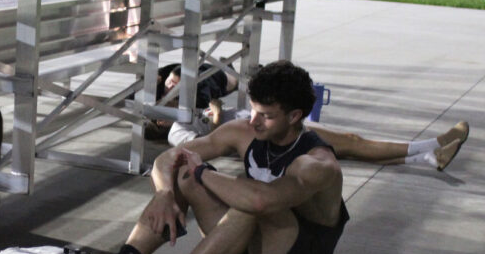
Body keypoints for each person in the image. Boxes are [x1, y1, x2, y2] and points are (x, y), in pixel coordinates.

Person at [84, 61, 350, 254]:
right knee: (183, 173)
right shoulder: (245, 131)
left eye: (266, 115)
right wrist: (164, 193)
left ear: (294, 116)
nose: (253, 121)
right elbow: (166, 159)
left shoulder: (317, 164)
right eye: (254, 109)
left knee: (247, 200)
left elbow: (261, 201)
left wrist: (203, 172)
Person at [168, 98, 469, 171]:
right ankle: (432, 145)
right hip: (274, 137)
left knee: (349, 148)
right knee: (351, 143)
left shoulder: (190, 111)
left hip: (275, 128)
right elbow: (212, 143)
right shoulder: (176, 129)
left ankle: (429, 156)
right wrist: (217, 115)